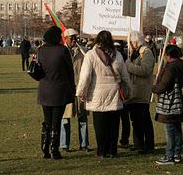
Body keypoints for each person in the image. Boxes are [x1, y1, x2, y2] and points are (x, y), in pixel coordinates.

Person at [76, 30, 130, 158]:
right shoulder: (117, 55)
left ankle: (102, 150)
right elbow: (125, 76)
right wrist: (128, 91)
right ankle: (112, 150)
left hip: (97, 94)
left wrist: (81, 92)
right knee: (114, 125)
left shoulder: (91, 55)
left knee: (100, 125)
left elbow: (85, 77)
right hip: (114, 94)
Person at [38, 26, 75, 159]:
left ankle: (44, 148)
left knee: (47, 121)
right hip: (59, 90)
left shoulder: (41, 50)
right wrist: (72, 88)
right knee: (56, 121)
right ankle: (54, 149)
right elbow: (70, 71)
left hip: (44, 90)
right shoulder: (62, 50)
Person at [153, 45, 183, 165]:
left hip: (169, 101)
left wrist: (154, 88)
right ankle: (177, 153)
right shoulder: (181, 66)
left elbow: (163, 86)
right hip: (178, 99)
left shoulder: (170, 68)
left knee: (169, 130)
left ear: (168, 56)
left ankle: (170, 156)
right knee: (177, 129)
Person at [125, 31, 155, 154]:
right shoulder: (133, 53)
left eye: (130, 42)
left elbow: (146, 70)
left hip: (142, 91)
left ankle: (148, 144)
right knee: (135, 120)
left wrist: (129, 66)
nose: (129, 44)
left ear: (135, 41)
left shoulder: (146, 52)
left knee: (144, 119)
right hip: (132, 91)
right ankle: (138, 143)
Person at [60, 28, 89, 152]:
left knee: (82, 117)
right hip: (66, 89)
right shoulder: (61, 51)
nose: (74, 40)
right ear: (65, 38)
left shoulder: (82, 52)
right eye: (71, 38)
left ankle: (84, 144)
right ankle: (64, 145)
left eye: (75, 37)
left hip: (80, 88)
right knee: (65, 118)